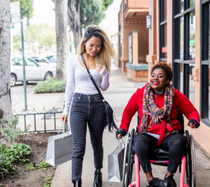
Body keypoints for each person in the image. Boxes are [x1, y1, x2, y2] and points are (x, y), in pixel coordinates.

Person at [116, 62, 200, 187]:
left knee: (179, 142)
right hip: (147, 133)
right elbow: (128, 111)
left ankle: (169, 178)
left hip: (169, 134)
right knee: (138, 142)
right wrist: (123, 128)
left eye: (160, 76)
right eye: (153, 75)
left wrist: (194, 120)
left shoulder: (175, 95)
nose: (155, 78)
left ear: (167, 80)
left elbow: (191, 111)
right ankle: (151, 180)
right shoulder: (140, 94)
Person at [61, 25, 115, 187]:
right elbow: (70, 85)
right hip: (78, 105)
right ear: (84, 43)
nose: (94, 49)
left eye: (98, 46)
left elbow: (104, 87)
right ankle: (76, 180)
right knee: (78, 146)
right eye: (91, 45)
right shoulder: (73, 60)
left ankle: (98, 173)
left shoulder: (102, 60)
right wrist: (66, 109)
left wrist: (105, 74)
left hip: (97, 105)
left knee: (97, 142)